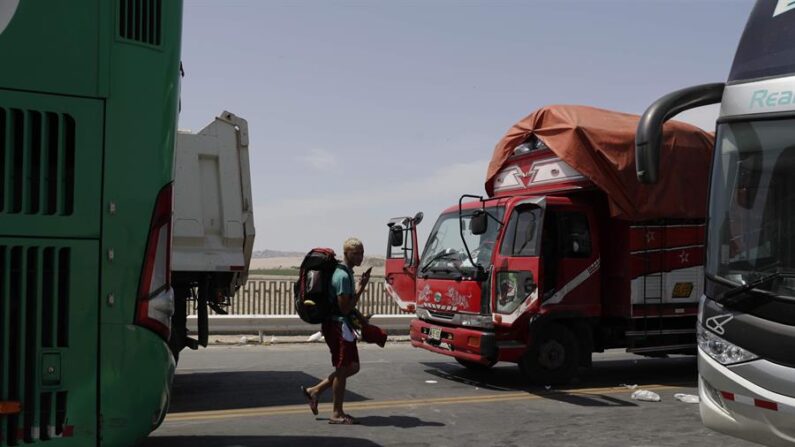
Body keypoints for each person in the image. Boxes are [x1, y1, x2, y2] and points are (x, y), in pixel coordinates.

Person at [301, 237, 371, 425]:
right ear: (346, 253)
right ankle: (337, 413)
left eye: (362, 252)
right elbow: (345, 308)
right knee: (342, 370)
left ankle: (315, 391)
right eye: (356, 253)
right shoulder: (342, 276)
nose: (360, 256)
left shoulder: (346, 273)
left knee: (352, 367)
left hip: (341, 326)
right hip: (337, 326)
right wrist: (361, 288)